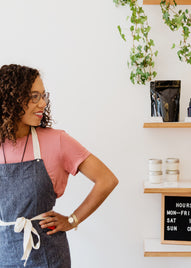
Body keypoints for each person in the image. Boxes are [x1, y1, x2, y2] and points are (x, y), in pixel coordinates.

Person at [0, 64, 118, 267]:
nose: (42, 103)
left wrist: (72, 220)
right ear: (11, 99)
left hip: (48, 255)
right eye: (34, 96)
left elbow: (107, 179)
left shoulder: (57, 141)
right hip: (5, 254)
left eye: (43, 96)